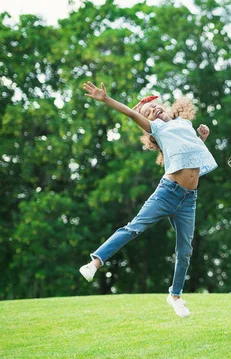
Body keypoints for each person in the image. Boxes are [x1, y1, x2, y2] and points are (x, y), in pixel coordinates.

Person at [78, 81, 217, 318]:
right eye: (148, 112)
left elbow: (189, 154)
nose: (153, 110)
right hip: (167, 192)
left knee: (185, 249)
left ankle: (175, 295)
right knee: (134, 228)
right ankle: (95, 262)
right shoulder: (158, 129)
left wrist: (201, 139)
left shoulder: (184, 123)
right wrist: (106, 99)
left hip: (188, 199)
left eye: (154, 106)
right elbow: (132, 113)